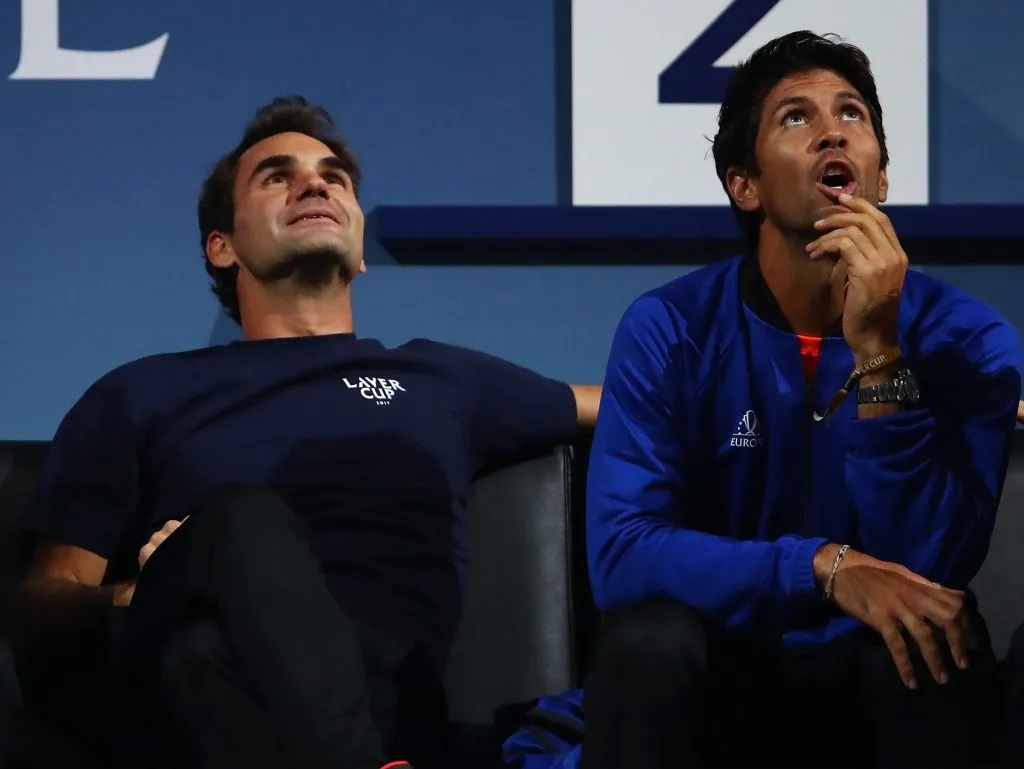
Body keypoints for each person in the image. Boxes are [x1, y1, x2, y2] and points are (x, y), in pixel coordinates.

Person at [8, 96, 601, 769]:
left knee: (202, 646)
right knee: (239, 525)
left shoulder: (443, 378)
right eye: (277, 177)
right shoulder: (142, 393)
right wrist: (135, 590)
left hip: (379, 709)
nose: (315, 186)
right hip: (185, 720)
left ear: (361, 249)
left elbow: (630, 403)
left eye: (334, 178)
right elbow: (39, 607)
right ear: (223, 246)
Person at [504, 31, 1022, 769]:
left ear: (881, 177)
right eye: (796, 117)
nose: (833, 131)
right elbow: (623, 554)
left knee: (928, 632)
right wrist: (821, 567)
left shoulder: (970, 338)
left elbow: (930, 562)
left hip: (878, 685)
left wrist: (879, 350)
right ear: (744, 185)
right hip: (726, 679)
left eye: (851, 113)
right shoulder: (671, 327)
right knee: (651, 644)